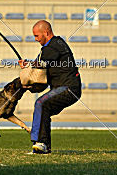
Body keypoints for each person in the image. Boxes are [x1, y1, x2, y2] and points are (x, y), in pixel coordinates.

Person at [19, 20, 82, 154]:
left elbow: (40, 65)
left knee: (41, 103)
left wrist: (27, 68)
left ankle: (41, 143)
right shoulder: (56, 45)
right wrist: (29, 66)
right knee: (44, 109)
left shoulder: (52, 47)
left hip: (68, 88)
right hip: (67, 87)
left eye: (37, 36)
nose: (36, 39)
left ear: (46, 33)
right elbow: (41, 69)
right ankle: (42, 146)